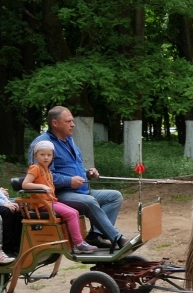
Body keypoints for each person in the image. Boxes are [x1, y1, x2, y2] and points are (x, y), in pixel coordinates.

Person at [28, 106, 128, 249]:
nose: (73, 124)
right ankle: (117, 238)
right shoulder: (42, 145)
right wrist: (69, 181)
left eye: (72, 121)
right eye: (68, 121)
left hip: (81, 191)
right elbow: (41, 175)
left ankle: (95, 236)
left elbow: (74, 168)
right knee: (89, 201)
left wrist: (88, 173)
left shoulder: (69, 140)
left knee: (114, 196)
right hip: (59, 196)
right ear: (55, 123)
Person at [23, 140, 98, 254]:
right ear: (35, 155)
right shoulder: (35, 168)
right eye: (42, 155)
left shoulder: (47, 170)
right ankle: (79, 243)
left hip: (51, 201)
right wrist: (42, 187)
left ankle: (75, 242)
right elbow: (25, 184)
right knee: (71, 214)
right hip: (42, 204)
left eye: (49, 155)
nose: (46, 158)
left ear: (53, 156)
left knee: (75, 212)